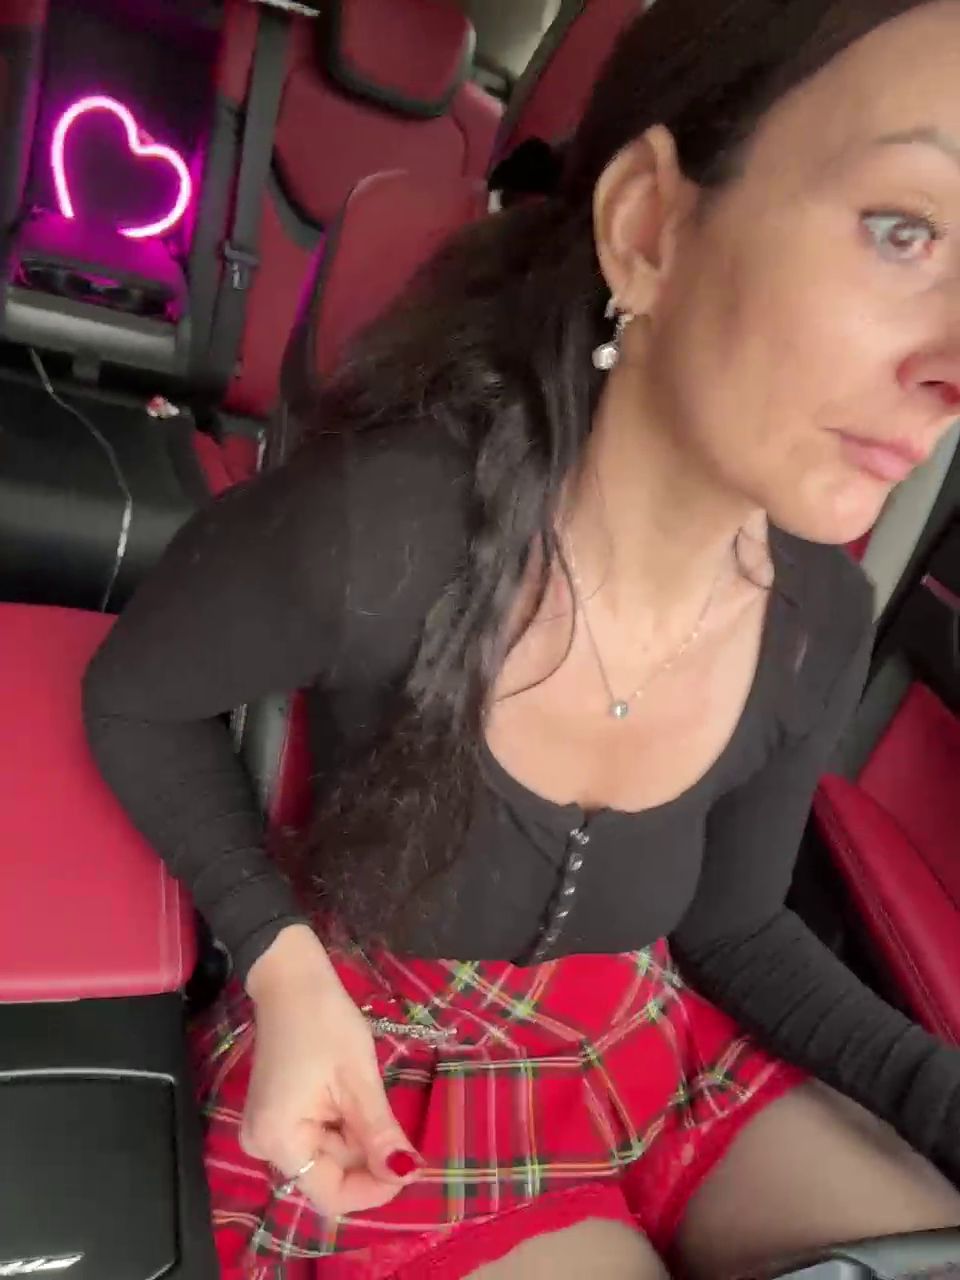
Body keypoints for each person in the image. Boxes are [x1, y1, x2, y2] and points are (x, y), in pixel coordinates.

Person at [83, 1, 960, 1276]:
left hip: (654, 1040)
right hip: (393, 1066)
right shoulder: (382, 527)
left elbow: (731, 924)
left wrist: (938, 1095)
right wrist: (278, 960)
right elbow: (136, 697)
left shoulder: (816, 618)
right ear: (650, 227)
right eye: (903, 230)